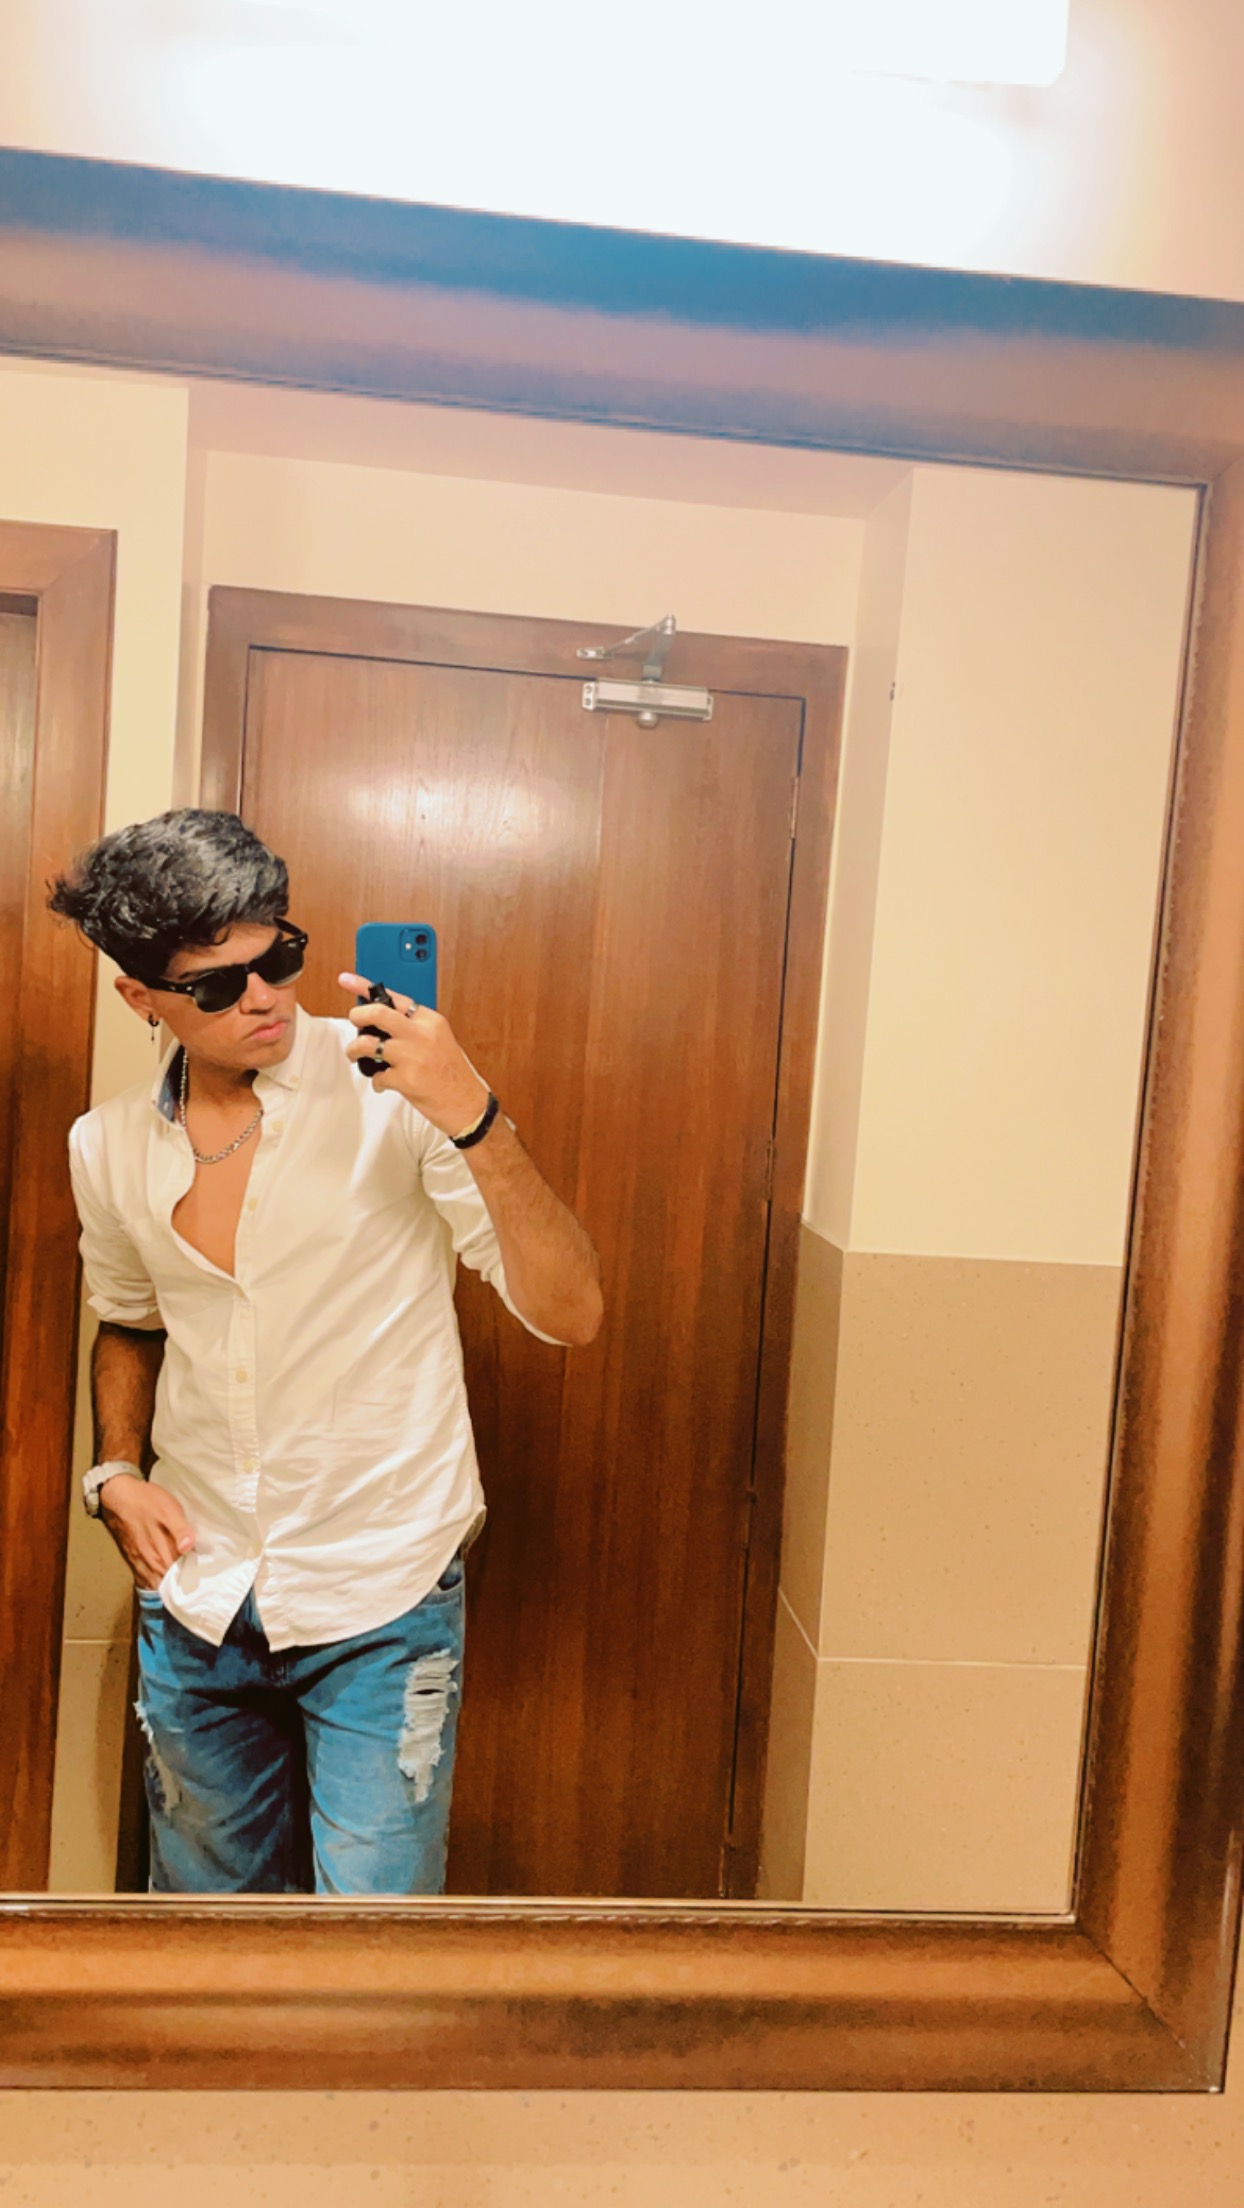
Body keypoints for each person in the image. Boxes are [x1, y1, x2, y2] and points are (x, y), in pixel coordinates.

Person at [48, 808, 603, 1896]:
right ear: (140, 998)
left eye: (280, 958)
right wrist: (114, 1473)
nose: (263, 997)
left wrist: (472, 1114)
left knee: (374, 1945)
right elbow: (130, 1318)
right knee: (209, 1932)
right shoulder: (105, 1145)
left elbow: (571, 1312)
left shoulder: (391, 1095)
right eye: (217, 985)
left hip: (380, 1589)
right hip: (198, 1592)